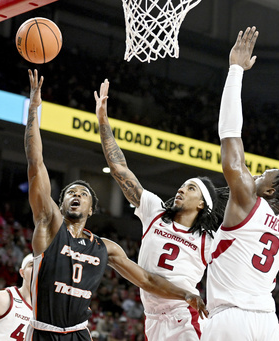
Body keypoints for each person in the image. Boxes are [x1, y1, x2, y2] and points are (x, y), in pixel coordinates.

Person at [24, 69, 207, 341]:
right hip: (43, 332)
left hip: (78, 334)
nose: (76, 195)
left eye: (83, 194)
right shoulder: (49, 225)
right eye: (70, 192)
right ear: (60, 204)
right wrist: (34, 110)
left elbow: (147, 280)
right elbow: (36, 164)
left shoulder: (105, 248)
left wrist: (186, 294)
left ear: (91, 209)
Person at [200, 26, 279, 341]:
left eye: (261, 176)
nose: (253, 176)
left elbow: (230, 137)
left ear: (268, 191)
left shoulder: (246, 204)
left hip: (231, 321)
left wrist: (235, 71)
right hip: (268, 325)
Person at [94, 81, 228, 340]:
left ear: (203, 204)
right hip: (152, 319)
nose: (180, 190)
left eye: (190, 189)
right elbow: (120, 170)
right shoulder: (155, 211)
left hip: (183, 316)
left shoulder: (208, 241)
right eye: (181, 186)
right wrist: (103, 121)